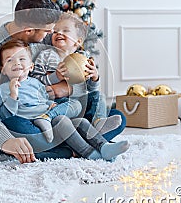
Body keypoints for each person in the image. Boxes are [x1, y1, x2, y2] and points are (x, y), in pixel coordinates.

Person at [0, 0, 127, 163]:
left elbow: (72, 72)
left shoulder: (48, 37)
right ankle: (78, 145)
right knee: (17, 125)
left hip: (51, 113)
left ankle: (70, 143)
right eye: (48, 30)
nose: (52, 34)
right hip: (14, 119)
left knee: (115, 116)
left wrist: (71, 87)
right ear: (29, 30)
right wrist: (5, 140)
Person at [31, 12, 126, 140]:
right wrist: (56, 77)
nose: (59, 33)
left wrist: (94, 78)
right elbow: (34, 80)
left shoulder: (83, 58)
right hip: (58, 104)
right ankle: (87, 139)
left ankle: (99, 124)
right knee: (74, 107)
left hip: (81, 104)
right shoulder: (46, 55)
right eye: (56, 31)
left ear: (78, 42)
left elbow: (90, 90)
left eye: (65, 30)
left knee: (100, 97)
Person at [0, 39, 82, 142]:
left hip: (48, 116)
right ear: (3, 69)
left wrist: (51, 104)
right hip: (29, 123)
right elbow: (0, 116)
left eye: (21, 59)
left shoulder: (36, 83)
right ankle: (61, 145)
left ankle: (47, 118)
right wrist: (13, 96)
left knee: (76, 105)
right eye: (10, 60)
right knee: (17, 126)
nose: (16, 63)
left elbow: (44, 99)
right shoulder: (2, 89)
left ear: (31, 66)